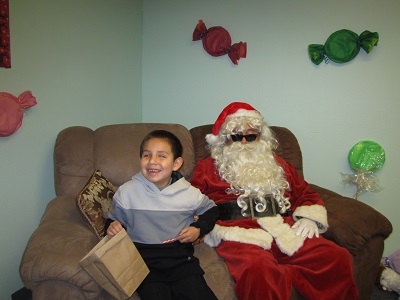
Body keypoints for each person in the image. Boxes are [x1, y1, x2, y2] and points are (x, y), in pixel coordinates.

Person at [190, 102, 359, 300]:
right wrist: (199, 225)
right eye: (236, 136)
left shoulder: (278, 164)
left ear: (260, 138)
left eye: (251, 135)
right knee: (258, 270)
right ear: (224, 140)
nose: (244, 142)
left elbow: (304, 193)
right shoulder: (207, 167)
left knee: (337, 258)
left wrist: (310, 218)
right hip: (239, 234)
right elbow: (192, 201)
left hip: (283, 229)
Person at [106, 129, 219, 300]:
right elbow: (113, 221)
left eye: (161, 156)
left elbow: (211, 210)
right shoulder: (126, 192)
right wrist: (112, 227)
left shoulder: (189, 193)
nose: (152, 161)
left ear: (176, 163)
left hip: (182, 261)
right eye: (146, 155)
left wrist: (198, 229)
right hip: (143, 264)